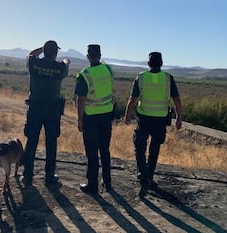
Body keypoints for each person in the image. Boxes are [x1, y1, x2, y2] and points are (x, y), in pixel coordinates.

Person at [124, 51, 183, 196]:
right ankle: (149, 177)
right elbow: (177, 99)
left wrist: (127, 115)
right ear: (162, 63)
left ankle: (144, 178)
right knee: (154, 149)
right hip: (160, 119)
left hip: (144, 118)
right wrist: (180, 117)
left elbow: (133, 98)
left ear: (148, 63)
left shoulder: (141, 77)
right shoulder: (168, 78)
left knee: (139, 147)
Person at [22, 40, 70, 187]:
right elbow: (66, 63)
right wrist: (65, 60)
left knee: (31, 142)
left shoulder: (34, 63)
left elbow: (30, 54)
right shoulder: (60, 67)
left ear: (44, 51)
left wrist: (41, 49)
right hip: (52, 110)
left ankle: (28, 176)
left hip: (35, 108)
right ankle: (49, 176)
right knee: (51, 143)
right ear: (55, 53)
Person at [75, 44, 114, 194]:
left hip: (90, 117)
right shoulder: (108, 70)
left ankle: (92, 184)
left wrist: (79, 119)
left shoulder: (85, 74)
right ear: (100, 55)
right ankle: (107, 181)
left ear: (87, 56)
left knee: (92, 152)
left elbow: (81, 99)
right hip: (106, 115)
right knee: (104, 149)